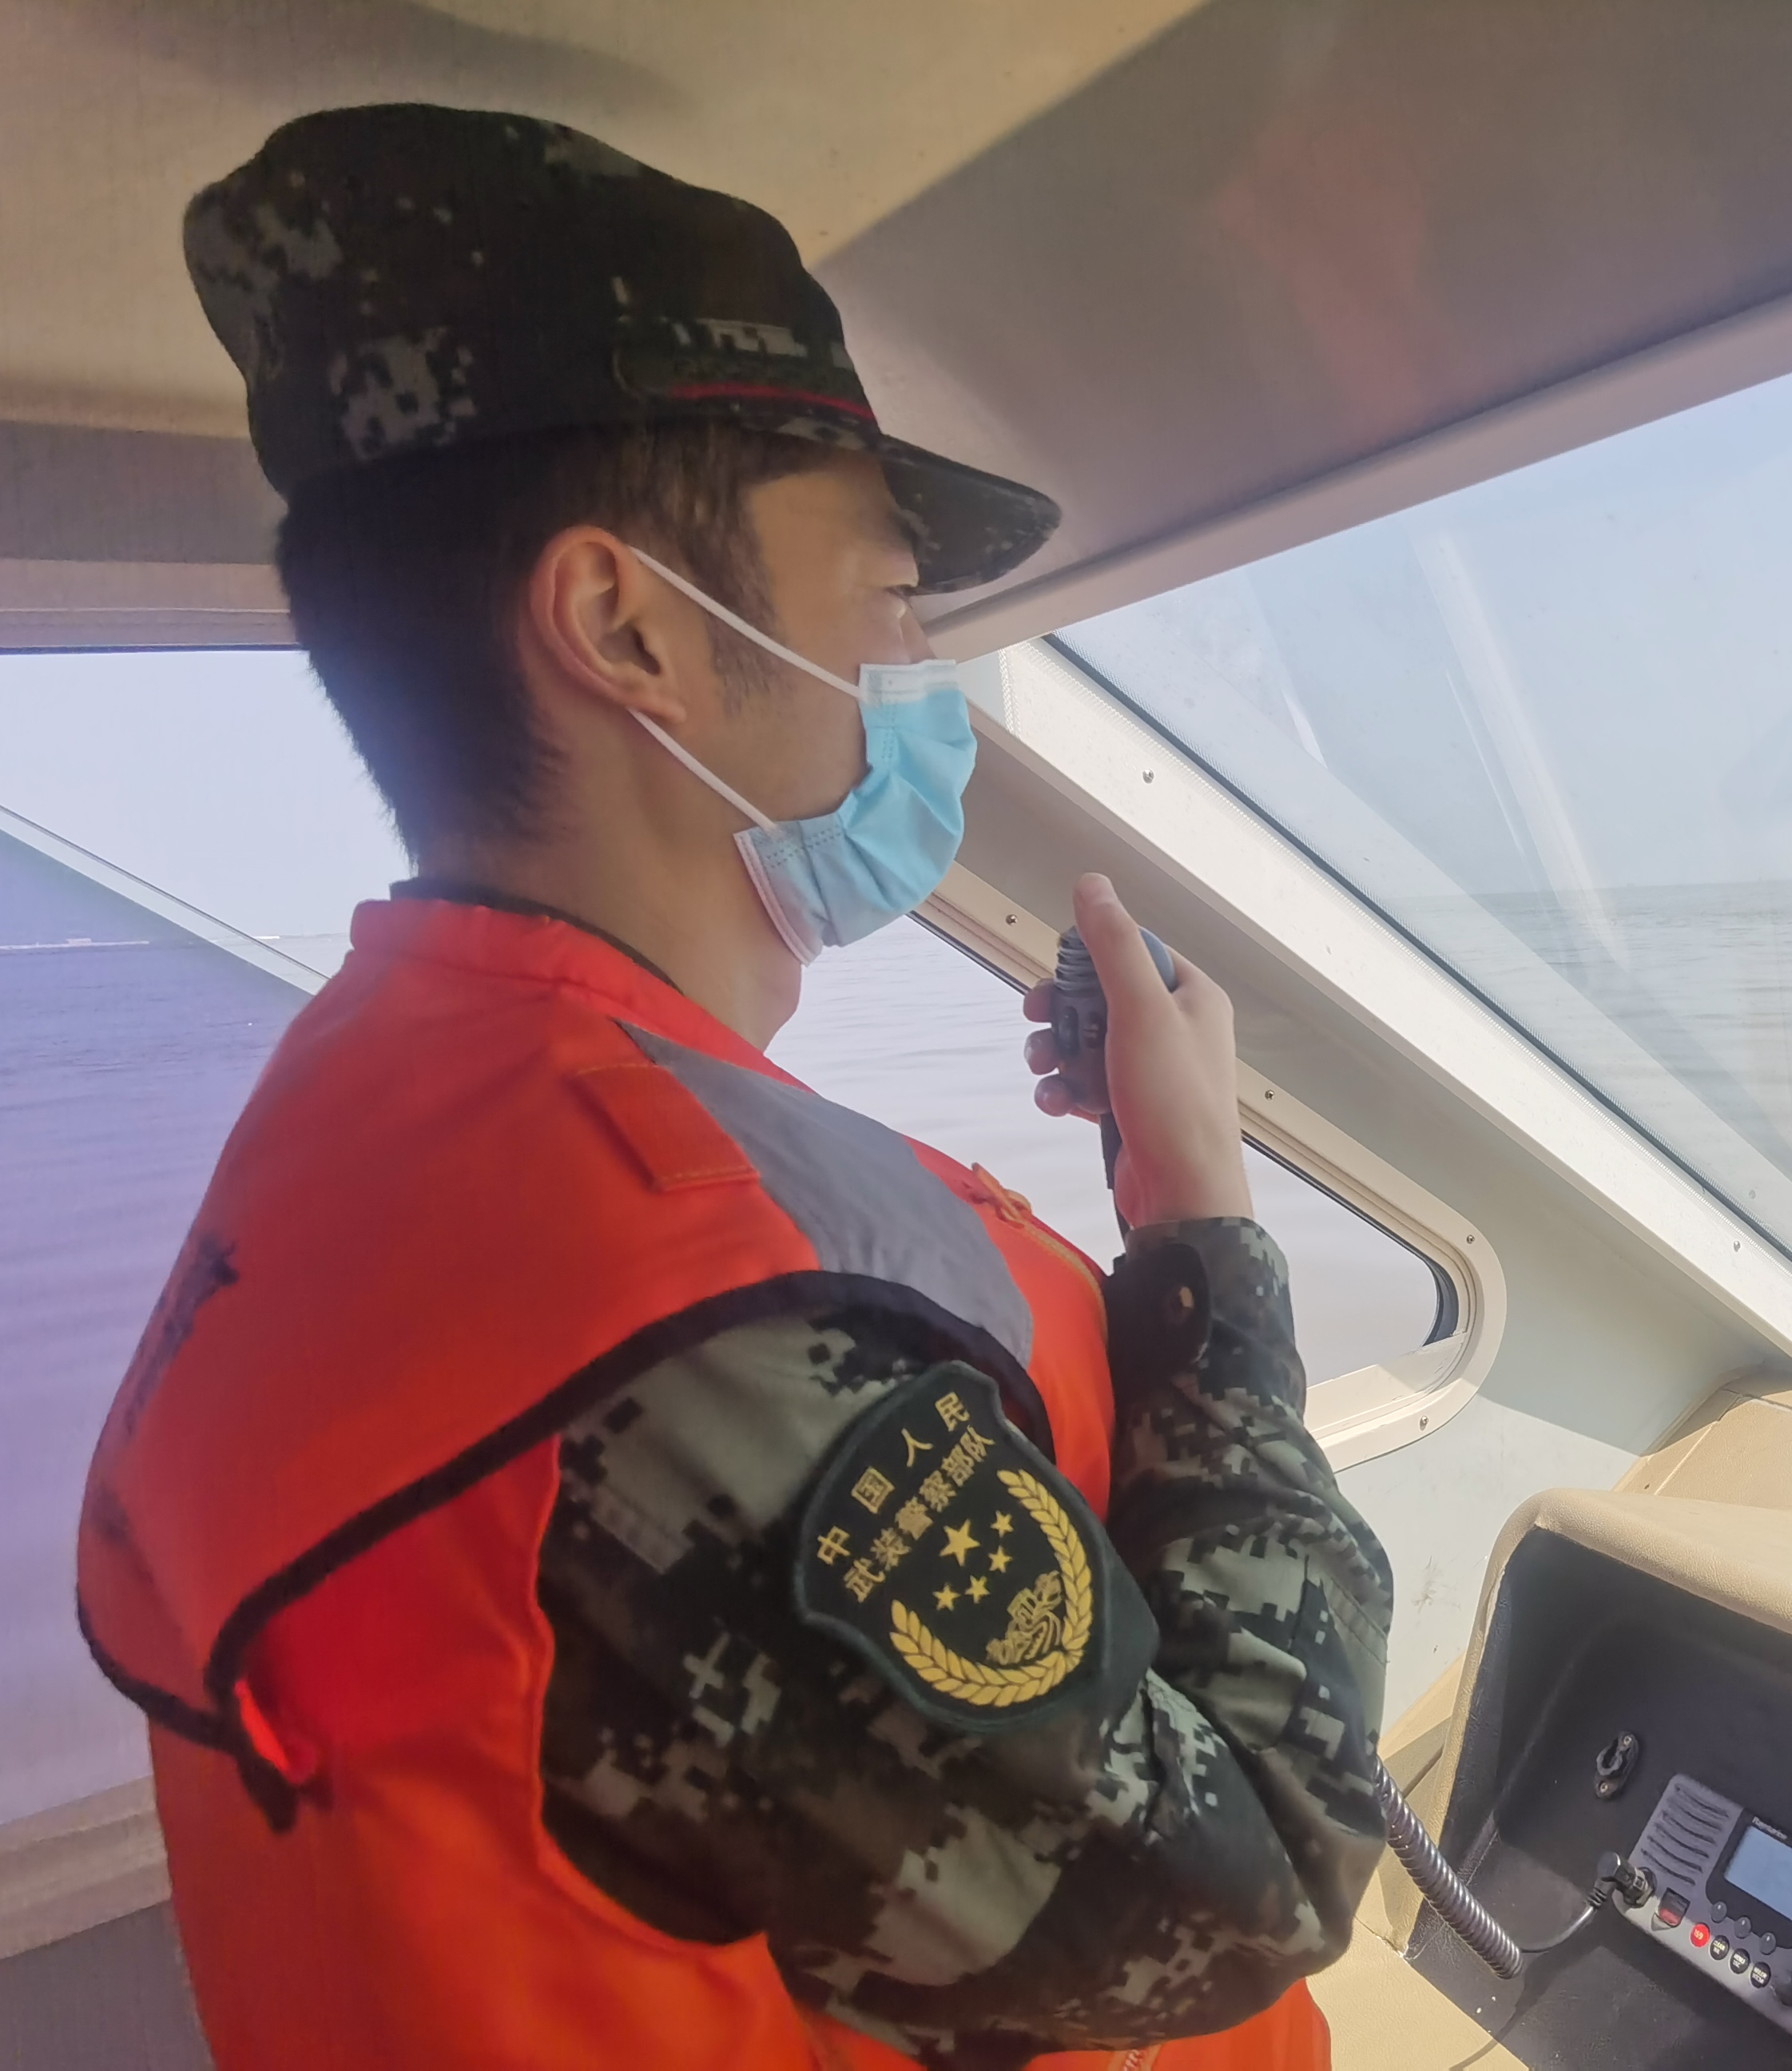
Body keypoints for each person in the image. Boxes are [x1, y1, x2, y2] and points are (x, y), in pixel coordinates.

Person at [74, 104, 1391, 2071]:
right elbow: (1256, 1881)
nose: (922, 675)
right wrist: (1205, 1222)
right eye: (892, 602)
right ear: (630, 632)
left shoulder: (380, 1101)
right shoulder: (690, 1339)